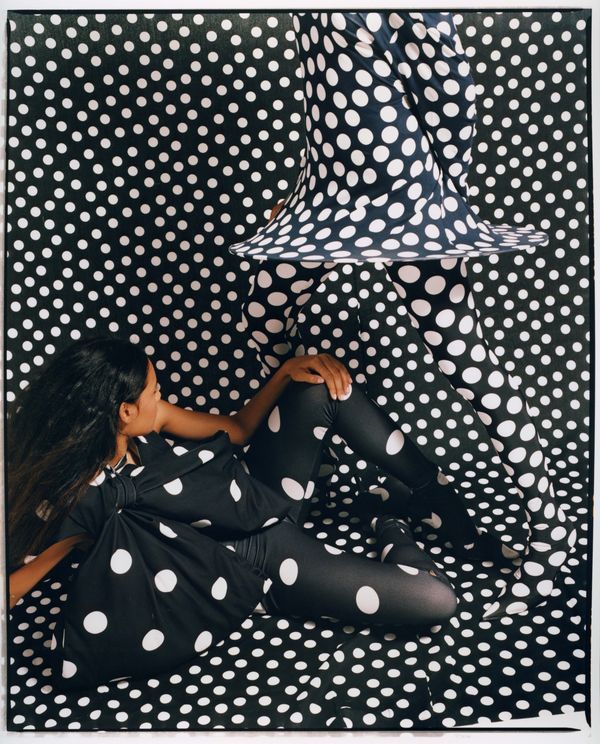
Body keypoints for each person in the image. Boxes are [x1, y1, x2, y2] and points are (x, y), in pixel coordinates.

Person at [229, 11, 576, 617]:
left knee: (463, 358)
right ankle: (325, 449)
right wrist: (310, 188)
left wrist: (442, 199)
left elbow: (447, 82)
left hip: (403, 197)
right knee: (262, 315)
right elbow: (332, 94)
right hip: (329, 197)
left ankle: (550, 529)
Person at [7, 336, 508, 690]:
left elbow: (240, 429)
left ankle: (431, 491)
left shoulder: (151, 420)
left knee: (318, 387)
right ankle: (389, 516)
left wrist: (285, 373)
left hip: (258, 491)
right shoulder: (84, 498)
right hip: (258, 558)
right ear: (123, 412)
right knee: (436, 600)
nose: (161, 396)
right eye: (154, 391)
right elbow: (16, 585)